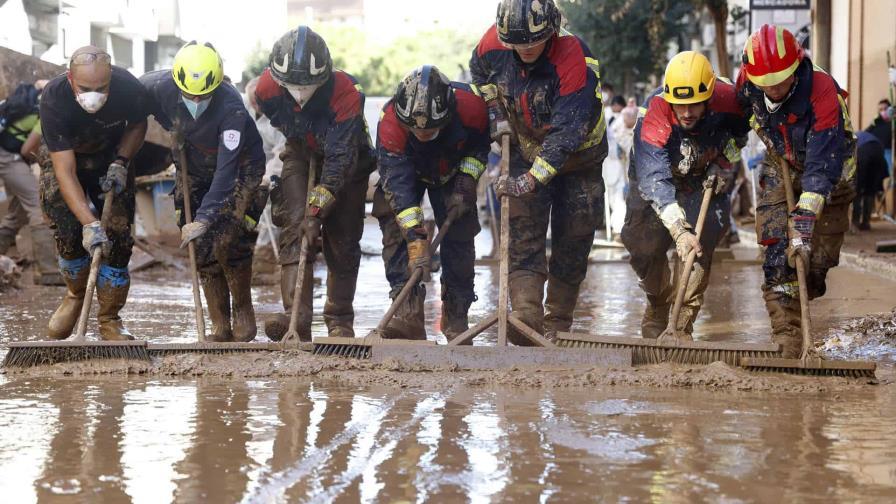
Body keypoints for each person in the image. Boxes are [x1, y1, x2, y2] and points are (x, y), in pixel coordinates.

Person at [470, 0, 608, 342]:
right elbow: (479, 75)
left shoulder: (575, 57)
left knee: (574, 237)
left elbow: (569, 130)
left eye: (533, 43)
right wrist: (493, 110)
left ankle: (558, 321)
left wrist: (531, 179)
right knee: (521, 231)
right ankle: (526, 316)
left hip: (580, 157)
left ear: (551, 32)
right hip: (523, 146)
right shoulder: (491, 46)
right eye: (517, 45)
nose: (525, 50)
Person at [737, 25, 857, 358]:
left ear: (797, 66)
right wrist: (725, 157)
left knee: (814, 265)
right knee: (778, 253)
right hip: (782, 163)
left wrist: (802, 230)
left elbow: (821, 169)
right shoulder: (747, 80)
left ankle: (810, 279)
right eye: (765, 83)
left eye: (781, 80)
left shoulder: (822, 92)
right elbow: (735, 118)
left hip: (832, 173)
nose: (773, 89)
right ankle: (788, 339)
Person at [255, 26, 375, 341]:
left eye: (307, 86)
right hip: (301, 151)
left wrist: (316, 211)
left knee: (343, 238)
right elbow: (284, 126)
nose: (299, 93)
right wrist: (305, 216)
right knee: (294, 226)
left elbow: (339, 161)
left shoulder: (346, 93)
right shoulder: (265, 90)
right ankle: (298, 318)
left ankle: (339, 319)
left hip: (348, 159)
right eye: (292, 86)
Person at [141, 41, 266, 342]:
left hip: (239, 169)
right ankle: (220, 325)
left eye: (203, 95)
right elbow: (135, 107)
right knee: (200, 246)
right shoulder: (155, 87)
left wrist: (206, 217)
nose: (196, 99)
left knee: (227, 239)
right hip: (192, 165)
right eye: (189, 94)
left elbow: (226, 173)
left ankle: (243, 312)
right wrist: (171, 127)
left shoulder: (231, 108)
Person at [621, 51, 749, 339]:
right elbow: (654, 177)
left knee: (698, 249)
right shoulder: (653, 113)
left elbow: (741, 136)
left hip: (704, 180)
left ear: (709, 96)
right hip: (656, 178)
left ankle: (680, 324)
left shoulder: (731, 100)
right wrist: (678, 231)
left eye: (694, 105)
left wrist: (725, 164)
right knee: (641, 245)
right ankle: (658, 302)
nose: (687, 113)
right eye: (680, 106)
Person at [38, 46, 148, 340]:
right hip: (66, 157)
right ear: (70, 79)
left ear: (111, 78)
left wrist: (122, 161)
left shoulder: (129, 88)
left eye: (102, 88)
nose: (94, 95)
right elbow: (65, 171)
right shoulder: (54, 98)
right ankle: (75, 294)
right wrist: (89, 223)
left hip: (110, 156)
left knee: (118, 234)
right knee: (67, 227)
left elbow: (138, 124)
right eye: (85, 88)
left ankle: (110, 317)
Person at [373, 65, 488, 341]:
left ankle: (456, 316)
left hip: (452, 170)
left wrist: (467, 179)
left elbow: (480, 147)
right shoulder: (390, 123)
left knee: (460, 236)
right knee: (394, 224)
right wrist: (415, 239)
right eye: (415, 130)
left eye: (431, 129)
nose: (422, 133)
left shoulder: (472, 108)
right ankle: (407, 312)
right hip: (409, 171)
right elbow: (397, 186)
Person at [0, 79, 61, 284]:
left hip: (8, 154)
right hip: (8, 157)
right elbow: (27, 149)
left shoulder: (33, 100)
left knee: (18, 213)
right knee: (38, 205)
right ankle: (49, 272)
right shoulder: (46, 111)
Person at [853, 131, 888, 230]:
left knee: (857, 189)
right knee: (870, 189)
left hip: (863, 153)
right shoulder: (868, 136)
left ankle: (855, 222)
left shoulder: (853, 138)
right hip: (879, 152)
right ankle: (866, 223)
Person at [865, 99, 893, 170]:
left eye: (885, 109)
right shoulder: (876, 123)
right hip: (875, 154)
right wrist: (872, 123)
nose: (883, 111)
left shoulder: (893, 124)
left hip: (888, 153)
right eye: (880, 109)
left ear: (890, 109)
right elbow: (866, 134)